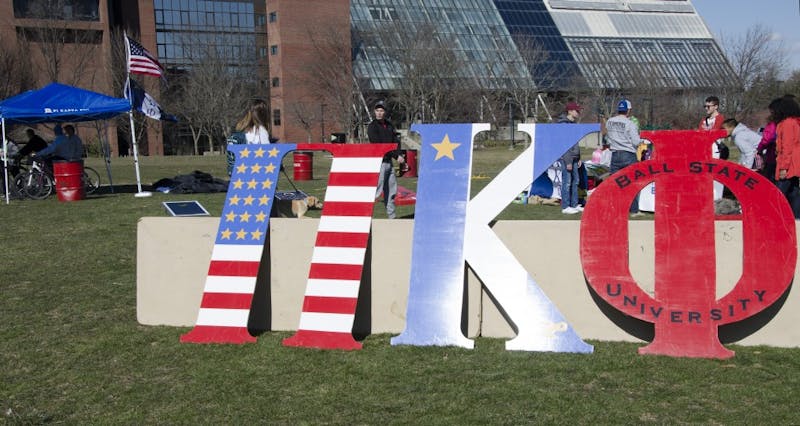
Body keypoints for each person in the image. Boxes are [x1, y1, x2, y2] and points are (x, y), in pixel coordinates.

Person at [368, 100, 405, 219]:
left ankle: (392, 219)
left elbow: (396, 142)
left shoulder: (389, 125)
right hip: (379, 163)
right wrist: (396, 156)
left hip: (389, 163)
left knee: (391, 192)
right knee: (376, 192)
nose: (379, 113)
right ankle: (366, 218)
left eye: (381, 110)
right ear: (374, 112)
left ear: (385, 112)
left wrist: (399, 155)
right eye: (377, 110)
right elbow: (379, 145)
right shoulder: (372, 127)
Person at [606, 99, 643, 217]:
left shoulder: (609, 121)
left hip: (615, 154)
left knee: (615, 184)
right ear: (628, 110)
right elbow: (636, 142)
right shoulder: (630, 123)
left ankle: (615, 209)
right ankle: (633, 210)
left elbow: (607, 137)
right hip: (628, 154)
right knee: (633, 183)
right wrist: (643, 139)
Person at [773, 97, 800, 217]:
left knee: (779, 193)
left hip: (789, 163)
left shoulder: (788, 123)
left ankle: (777, 216)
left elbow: (787, 147)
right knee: (794, 191)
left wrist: (784, 167)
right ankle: (796, 217)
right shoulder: (793, 122)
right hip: (793, 162)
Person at [557, 101, 583, 214]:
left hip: (575, 158)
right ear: (569, 111)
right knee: (567, 182)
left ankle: (574, 204)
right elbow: (564, 145)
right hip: (567, 158)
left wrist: (579, 157)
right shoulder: (563, 125)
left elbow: (575, 143)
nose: (578, 112)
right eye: (576, 110)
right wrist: (568, 161)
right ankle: (565, 206)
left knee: (575, 181)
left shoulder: (573, 124)